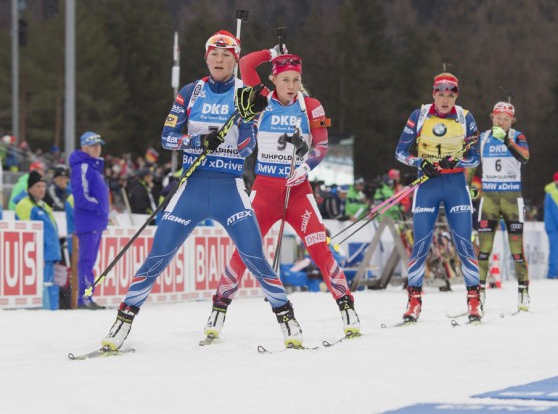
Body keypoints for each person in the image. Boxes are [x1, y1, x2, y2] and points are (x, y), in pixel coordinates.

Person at [101, 30, 304, 351]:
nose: (220, 60)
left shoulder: (245, 91)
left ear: (235, 60)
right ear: (206, 58)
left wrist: (241, 129)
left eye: (226, 55)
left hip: (229, 189)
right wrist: (196, 141)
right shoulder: (191, 91)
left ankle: (287, 319)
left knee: (255, 257)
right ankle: (121, 324)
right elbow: (167, 137)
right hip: (192, 188)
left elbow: (249, 146)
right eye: (214, 55)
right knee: (158, 256)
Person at [204, 43, 360, 342]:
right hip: (265, 193)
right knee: (244, 252)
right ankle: (217, 311)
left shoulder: (311, 106)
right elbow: (247, 64)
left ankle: (347, 310)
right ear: (273, 80)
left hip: (298, 193)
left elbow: (322, 144)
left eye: (296, 80)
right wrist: (271, 54)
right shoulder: (260, 99)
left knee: (320, 250)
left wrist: (307, 167)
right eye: (285, 79)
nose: (291, 86)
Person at [395, 71, 481, 322]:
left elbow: (475, 156)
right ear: (433, 94)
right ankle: (414, 301)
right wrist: (420, 163)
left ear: (456, 96)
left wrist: (457, 159)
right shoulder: (420, 115)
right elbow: (400, 151)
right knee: (420, 243)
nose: (445, 100)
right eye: (440, 94)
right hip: (428, 185)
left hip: (455, 184)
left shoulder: (466, 117)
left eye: (450, 95)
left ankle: (474, 300)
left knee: (464, 243)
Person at [471, 101, 531, 311]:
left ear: (511, 121)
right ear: (492, 117)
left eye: (506, 119)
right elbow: (472, 164)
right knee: (484, 248)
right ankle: (478, 293)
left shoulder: (517, 135)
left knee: (516, 249)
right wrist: (467, 187)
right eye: (498, 118)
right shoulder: (484, 137)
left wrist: (507, 140)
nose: (502, 122)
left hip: (512, 197)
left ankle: (523, 290)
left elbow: (525, 157)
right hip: (489, 197)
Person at [70, 132, 110, 309]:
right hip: (89, 221)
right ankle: (84, 298)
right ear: (84, 147)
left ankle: (87, 296)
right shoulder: (83, 167)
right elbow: (81, 196)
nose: (97, 148)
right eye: (93, 145)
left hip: (95, 222)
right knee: (86, 261)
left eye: (99, 145)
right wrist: (99, 207)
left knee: (90, 261)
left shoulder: (92, 167)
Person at [14, 171, 62, 310]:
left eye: (43, 186)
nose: (42, 189)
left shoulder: (43, 205)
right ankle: (43, 311)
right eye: (38, 186)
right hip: (37, 254)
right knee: (41, 284)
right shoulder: (24, 205)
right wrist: (35, 253)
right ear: (30, 189)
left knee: (50, 283)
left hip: (50, 253)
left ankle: (53, 311)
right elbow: (26, 232)